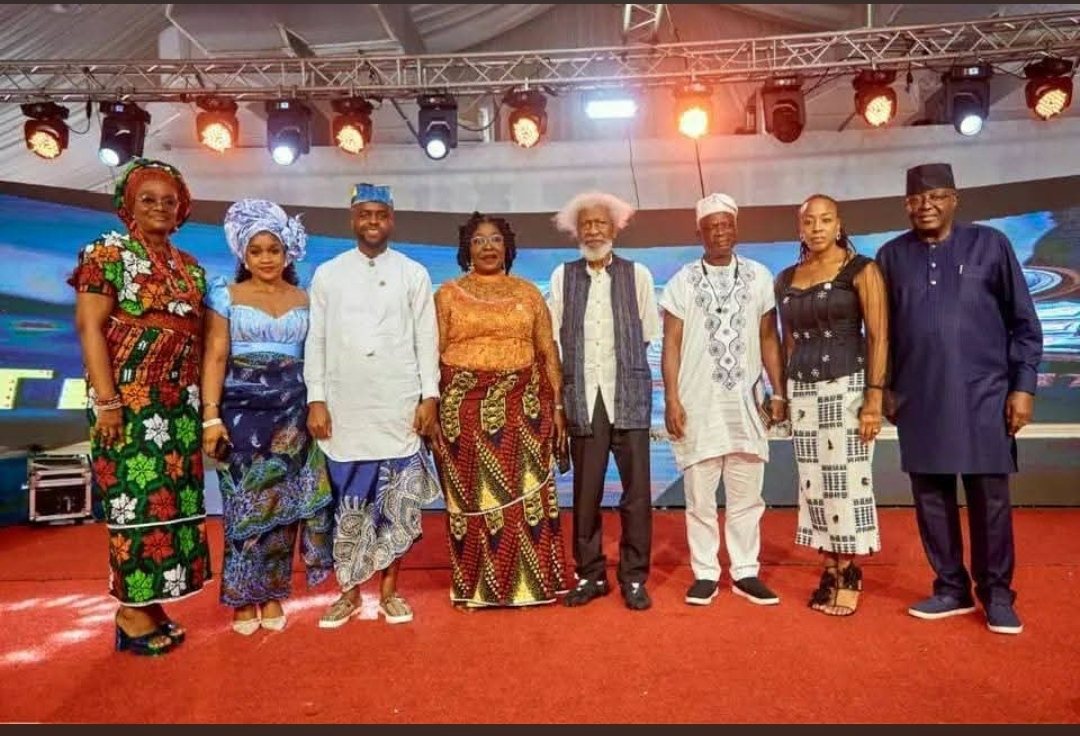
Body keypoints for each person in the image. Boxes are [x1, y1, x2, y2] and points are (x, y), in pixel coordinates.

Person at [876, 163, 1043, 635]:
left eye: (936, 197)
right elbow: (881, 332)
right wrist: (883, 387)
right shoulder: (891, 256)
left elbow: (1024, 323)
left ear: (955, 199)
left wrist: (1023, 387)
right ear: (906, 205)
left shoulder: (990, 245)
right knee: (931, 498)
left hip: (985, 394)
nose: (925, 206)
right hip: (918, 395)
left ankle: (997, 595)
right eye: (916, 199)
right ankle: (950, 587)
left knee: (990, 499)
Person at [69, 158, 211, 655]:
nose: (159, 207)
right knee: (137, 505)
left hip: (179, 405)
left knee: (173, 506)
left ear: (181, 209)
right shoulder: (106, 254)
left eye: (169, 201)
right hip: (126, 404)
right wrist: (107, 400)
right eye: (147, 199)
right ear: (128, 205)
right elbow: (89, 327)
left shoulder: (189, 267)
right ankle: (130, 614)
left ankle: (151, 605)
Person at [304, 183, 441, 628]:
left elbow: (426, 340)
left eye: (380, 214)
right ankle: (347, 593)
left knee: (395, 505)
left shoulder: (413, 273)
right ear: (353, 219)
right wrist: (316, 398)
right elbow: (316, 340)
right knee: (347, 502)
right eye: (365, 214)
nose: (373, 222)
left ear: (391, 219)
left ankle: (389, 593)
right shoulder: (328, 274)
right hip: (345, 408)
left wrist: (430, 396)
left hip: (397, 406)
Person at [201, 199, 334, 635]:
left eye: (273, 250)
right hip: (241, 413)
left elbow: (317, 356)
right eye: (256, 251)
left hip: (293, 412)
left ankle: (273, 594)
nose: (265, 259)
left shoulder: (305, 298)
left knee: (284, 507)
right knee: (243, 506)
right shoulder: (225, 294)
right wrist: (210, 417)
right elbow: (215, 355)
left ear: (287, 253)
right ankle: (243, 599)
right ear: (243, 254)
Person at [431, 212, 568, 608]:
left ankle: (533, 586)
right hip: (463, 412)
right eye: (478, 240)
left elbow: (547, 350)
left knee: (526, 496)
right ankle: (477, 588)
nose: (487, 247)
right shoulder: (447, 295)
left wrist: (558, 405)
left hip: (523, 407)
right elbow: (431, 353)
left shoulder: (529, 293)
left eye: (495, 239)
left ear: (507, 247)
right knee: (475, 498)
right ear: (466, 249)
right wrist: (430, 405)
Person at [660, 192, 786, 607]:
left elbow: (769, 337)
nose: (719, 232)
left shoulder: (759, 276)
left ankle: (746, 571)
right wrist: (672, 399)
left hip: (746, 403)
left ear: (736, 228)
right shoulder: (682, 281)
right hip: (697, 403)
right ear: (699, 233)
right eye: (711, 227)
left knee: (746, 494)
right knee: (699, 496)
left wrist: (778, 391)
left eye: (725, 224)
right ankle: (705, 573)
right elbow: (671, 344)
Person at [775, 194, 889, 616]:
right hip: (802, 390)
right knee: (813, 484)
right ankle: (828, 568)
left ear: (839, 225)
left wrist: (873, 398)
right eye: (809, 221)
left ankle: (849, 570)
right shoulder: (786, 277)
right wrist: (783, 395)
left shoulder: (861, 269)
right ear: (800, 228)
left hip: (848, 387)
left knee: (846, 480)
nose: (817, 227)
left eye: (825, 220)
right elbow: (788, 340)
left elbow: (878, 335)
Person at [548, 192, 660, 611]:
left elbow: (646, 334)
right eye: (586, 224)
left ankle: (634, 577)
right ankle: (590, 574)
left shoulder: (637, 275)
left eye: (600, 223)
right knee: (586, 493)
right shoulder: (563, 276)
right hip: (584, 397)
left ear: (614, 228)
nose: (593, 231)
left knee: (637, 495)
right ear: (576, 231)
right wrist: (559, 404)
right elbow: (555, 341)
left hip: (627, 395)